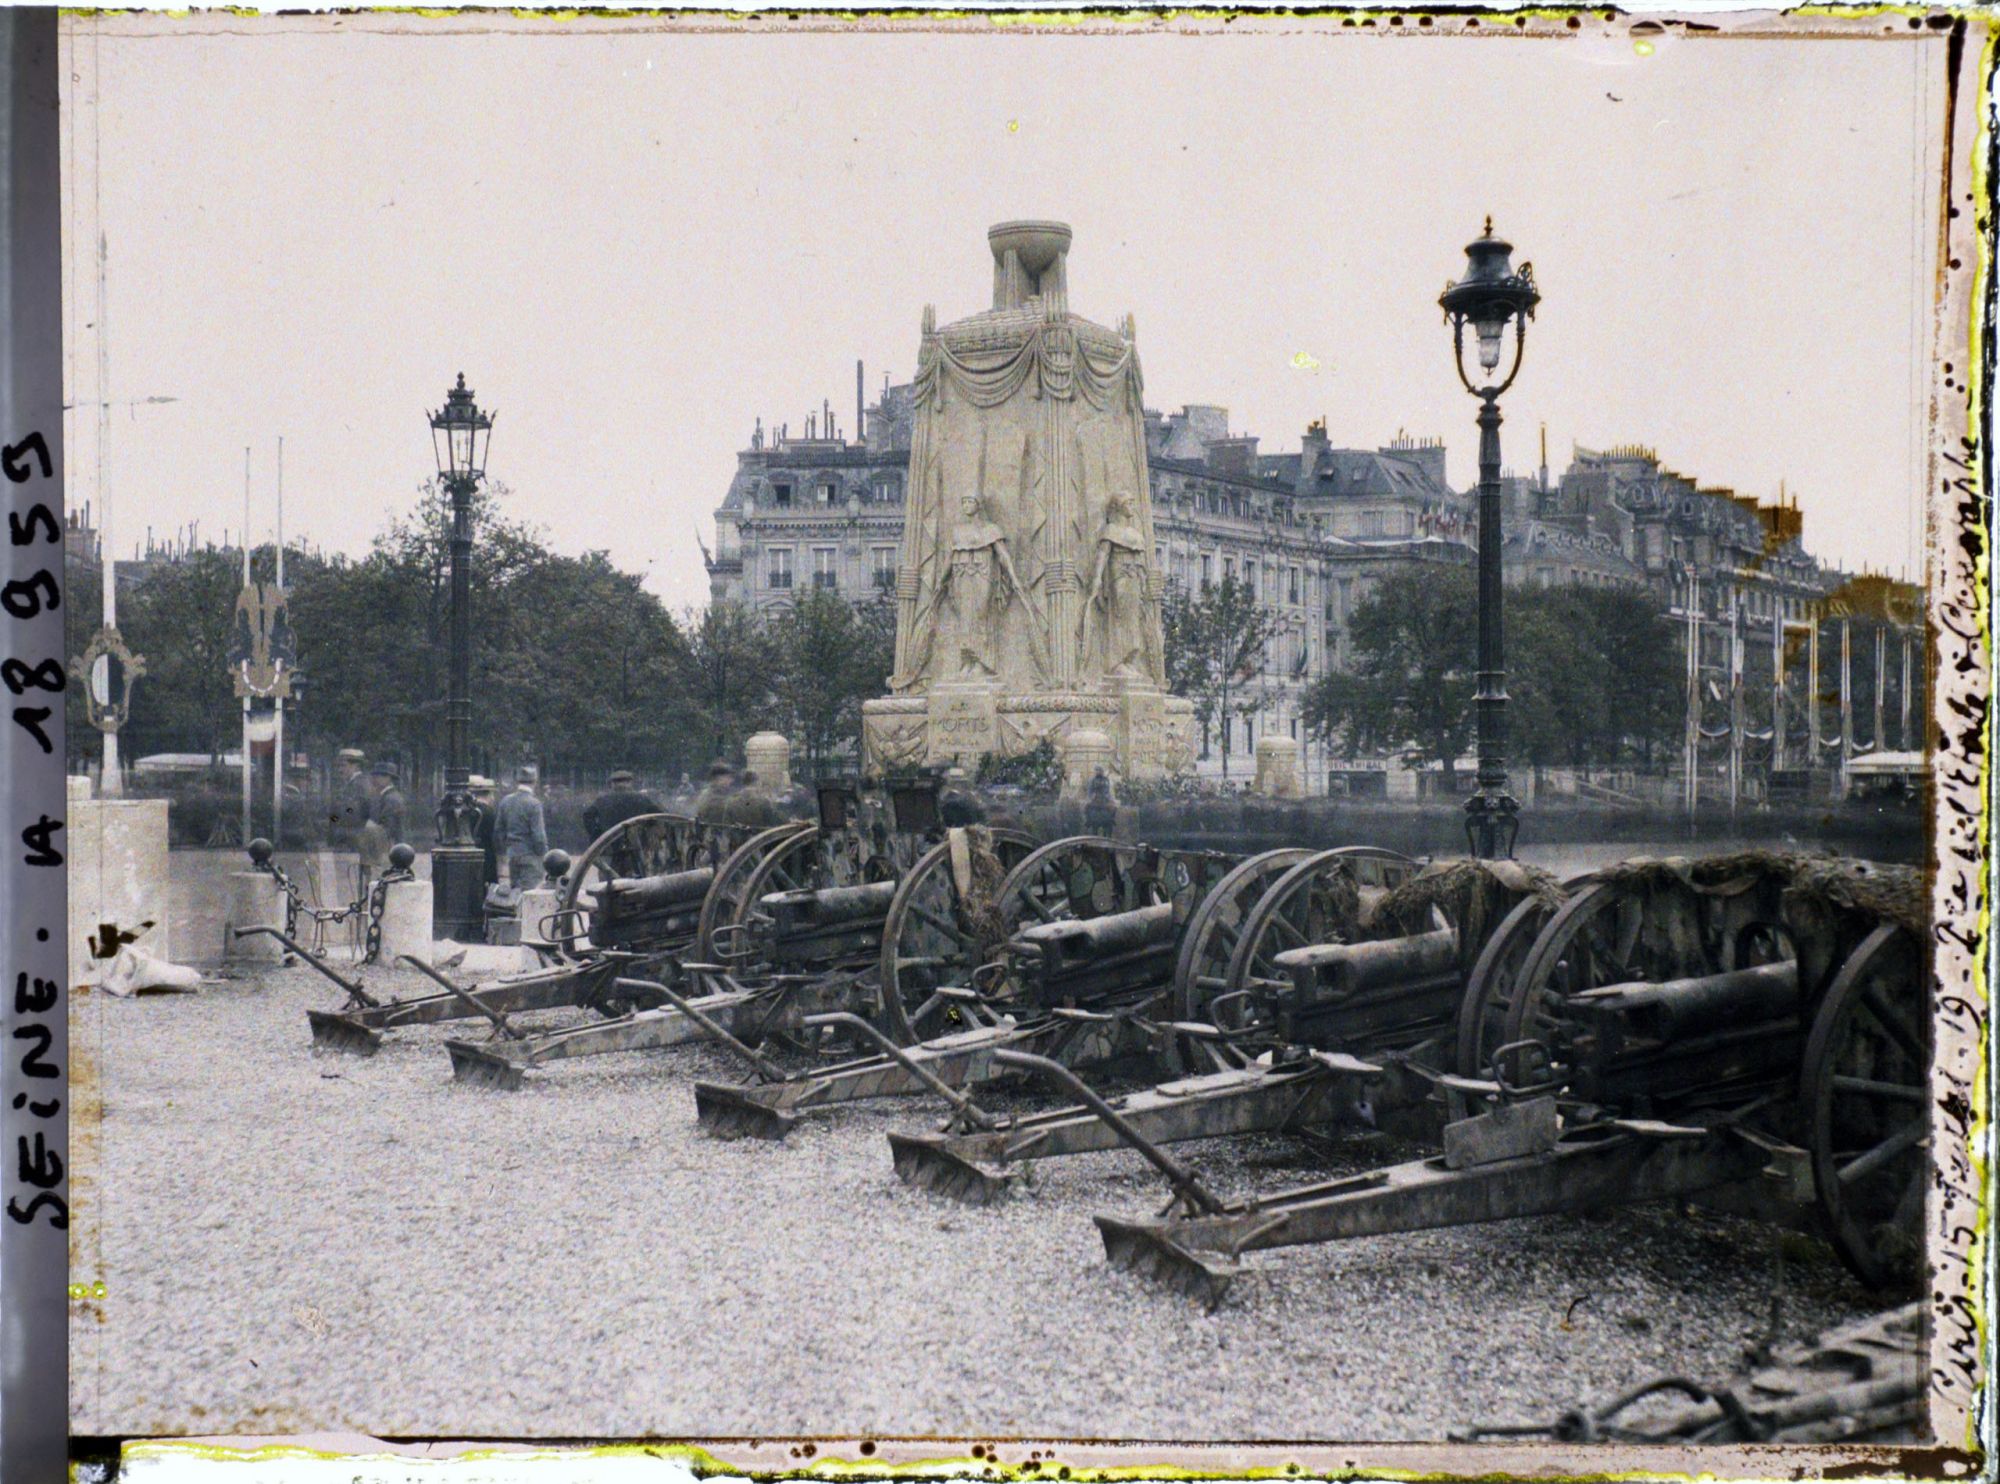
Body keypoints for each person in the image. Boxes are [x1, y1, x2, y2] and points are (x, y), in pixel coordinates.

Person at [495, 765, 550, 892]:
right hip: (531, 856)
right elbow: (539, 836)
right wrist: (544, 855)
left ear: (517, 781)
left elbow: (498, 831)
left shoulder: (506, 801)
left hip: (512, 855)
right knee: (530, 894)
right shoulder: (534, 804)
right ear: (535, 782)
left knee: (515, 893)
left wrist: (504, 852)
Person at [329, 748, 372, 898]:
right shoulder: (351, 784)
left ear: (355, 766)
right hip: (350, 837)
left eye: (343, 765)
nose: (340, 770)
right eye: (339, 766)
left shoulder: (360, 785)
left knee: (354, 881)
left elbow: (349, 811)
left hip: (354, 837)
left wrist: (334, 821)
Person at [355, 762, 405, 887]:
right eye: (374, 776)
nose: (374, 779)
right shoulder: (385, 796)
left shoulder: (391, 798)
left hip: (386, 848)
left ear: (388, 778)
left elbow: (389, 827)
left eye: (379, 776)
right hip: (385, 847)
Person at [582, 768, 662, 844]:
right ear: (630, 783)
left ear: (612, 784)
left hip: (609, 844)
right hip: (636, 844)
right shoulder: (642, 799)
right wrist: (649, 829)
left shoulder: (602, 800)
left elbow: (587, 816)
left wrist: (597, 833)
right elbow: (658, 816)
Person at [469, 775, 500, 887]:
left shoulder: (467, 810)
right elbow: (495, 838)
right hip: (486, 859)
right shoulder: (488, 812)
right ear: (489, 794)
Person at [692, 760, 737, 825]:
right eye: (728, 777)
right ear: (718, 778)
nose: (731, 781)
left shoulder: (705, 793)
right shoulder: (710, 796)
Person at [1084, 764, 1117, 836]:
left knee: (1114, 807)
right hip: (1095, 797)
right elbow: (1089, 790)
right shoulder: (1092, 780)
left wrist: (1108, 797)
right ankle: (1088, 820)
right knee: (1086, 806)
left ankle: (1112, 819)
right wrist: (1091, 796)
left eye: (1099, 770)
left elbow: (1107, 790)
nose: (1098, 772)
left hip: (1104, 797)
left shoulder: (1106, 780)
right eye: (1096, 770)